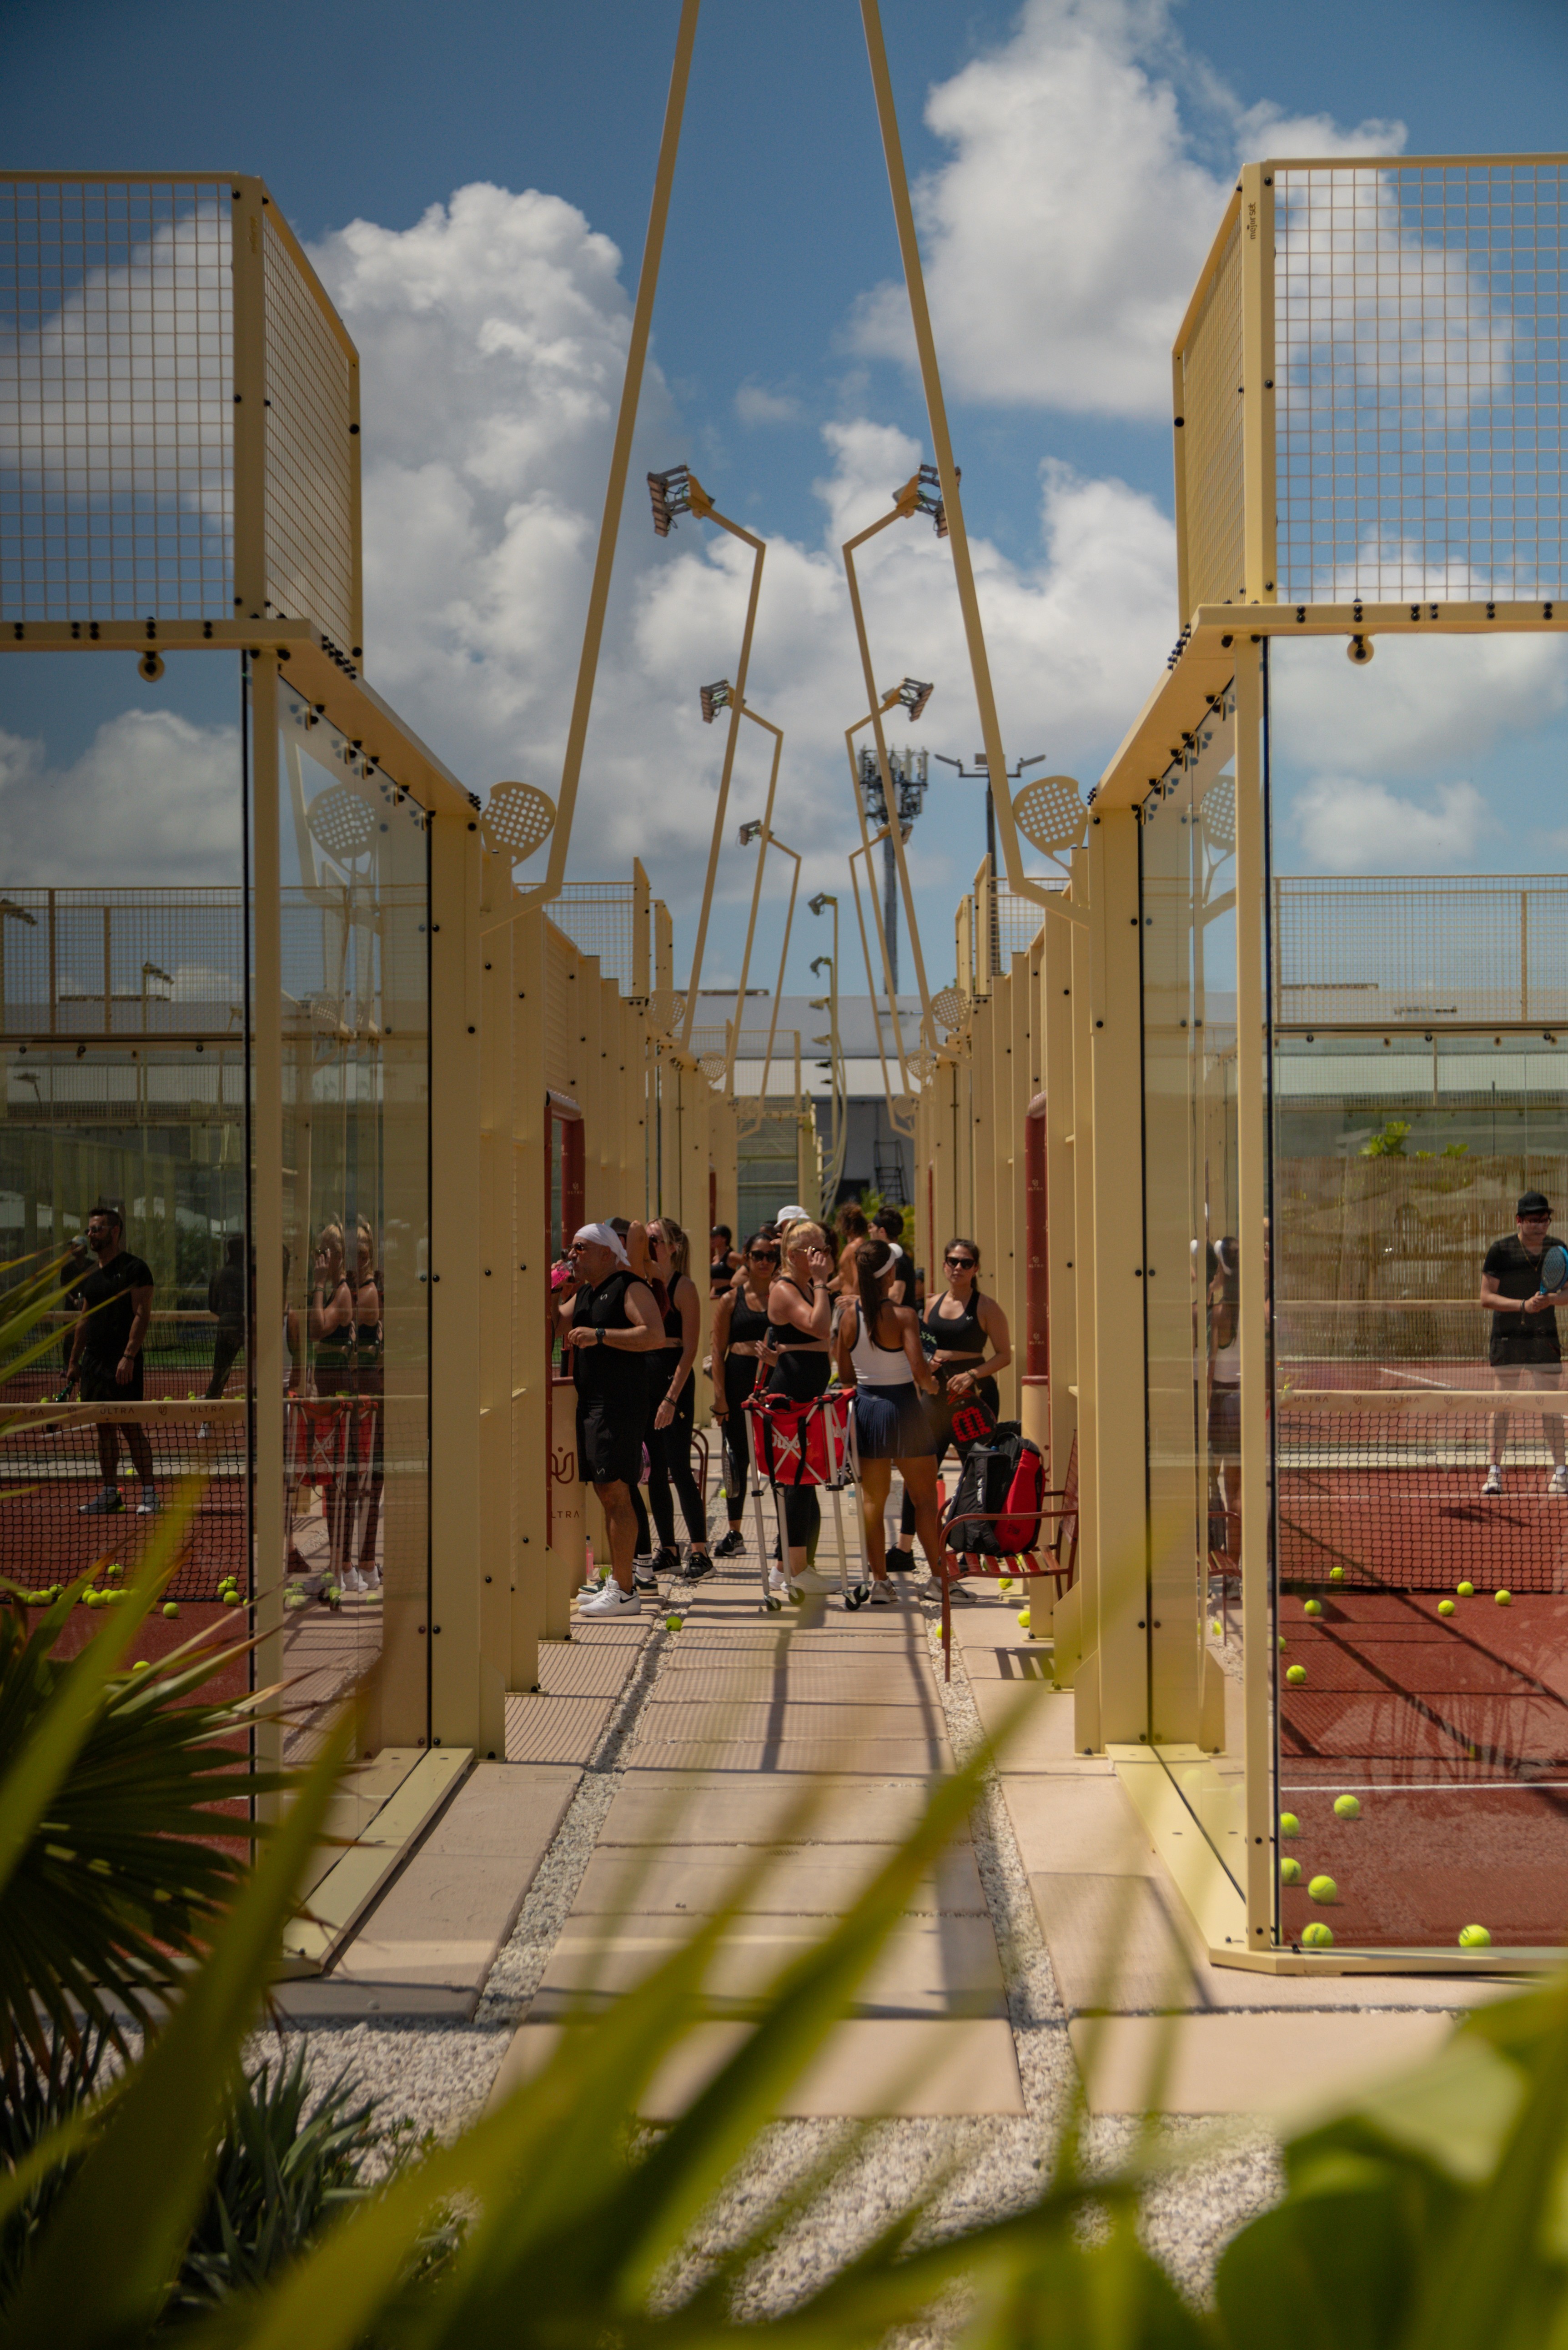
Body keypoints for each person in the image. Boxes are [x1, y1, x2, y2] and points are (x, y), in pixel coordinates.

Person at [885, 1235, 1012, 1573]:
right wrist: (928, 1365)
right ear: (944, 1266)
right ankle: (904, 1547)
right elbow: (924, 1345)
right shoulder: (931, 1303)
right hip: (936, 1395)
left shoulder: (986, 1307)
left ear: (976, 1269)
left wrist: (972, 1373)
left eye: (966, 1263)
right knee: (920, 1470)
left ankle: (977, 1547)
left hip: (974, 1397)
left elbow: (1005, 1355)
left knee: (978, 1472)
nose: (958, 1268)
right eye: (953, 1262)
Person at [558, 1222, 665, 1615]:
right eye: (571, 1248)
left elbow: (654, 1335)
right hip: (594, 1405)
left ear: (607, 1252)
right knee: (607, 1493)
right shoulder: (586, 1291)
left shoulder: (628, 1286)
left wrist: (601, 1335)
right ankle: (620, 1581)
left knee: (618, 1492)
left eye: (581, 1248)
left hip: (619, 1406)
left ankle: (625, 1590)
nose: (573, 1255)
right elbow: (557, 1322)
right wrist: (551, 1285)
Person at [833, 1235, 942, 1602]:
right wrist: (935, 1384)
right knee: (925, 1498)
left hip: (866, 1409)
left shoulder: (849, 1317)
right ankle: (941, 1579)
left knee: (872, 1502)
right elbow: (919, 1371)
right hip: (904, 1410)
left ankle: (879, 1582)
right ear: (889, 1272)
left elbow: (845, 1374)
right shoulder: (903, 1315)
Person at [756, 1217, 835, 1597]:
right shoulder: (786, 1289)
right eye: (813, 1249)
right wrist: (823, 1284)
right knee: (793, 1480)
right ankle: (794, 1568)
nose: (822, 1255)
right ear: (792, 1255)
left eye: (824, 1247)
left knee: (806, 1480)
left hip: (808, 1390)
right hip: (791, 1393)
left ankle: (787, 1567)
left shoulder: (805, 1286)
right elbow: (821, 1328)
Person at [65, 1204, 157, 1516]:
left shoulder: (135, 1269)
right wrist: (75, 1362)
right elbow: (83, 1319)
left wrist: (129, 1356)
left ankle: (149, 1493)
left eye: (97, 1229)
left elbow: (142, 1315)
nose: (91, 1234)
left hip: (123, 1363)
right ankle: (110, 1493)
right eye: (90, 1229)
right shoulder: (91, 1273)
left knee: (131, 1427)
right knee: (104, 1428)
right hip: (94, 1364)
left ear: (114, 1232)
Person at [1481, 1191, 1568, 1497]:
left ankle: (1561, 1473)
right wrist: (1523, 1306)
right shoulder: (1500, 1251)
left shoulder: (1558, 1248)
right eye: (1534, 1220)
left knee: (1551, 1406)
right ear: (1519, 1221)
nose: (1540, 1226)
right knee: (1501, 1405)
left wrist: (1551, 1300)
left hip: (1544, 1337)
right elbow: (1486, 1297)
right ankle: (1494, 1472)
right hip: (1508, 1336)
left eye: (1545, 1220)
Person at [644, 1216, 713, 1582]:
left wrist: (672, 1397)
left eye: (655, 1240)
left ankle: (699, 1551)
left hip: (674, 1379)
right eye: (646, 1240)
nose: (650, 1245)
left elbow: (690, 1349)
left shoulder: (683, 1287)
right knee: (654, 1468)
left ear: (673, 1247)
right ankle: (668, 1548)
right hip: (649, 1377)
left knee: (679, 1466)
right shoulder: (643, 1284)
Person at [709, 1229, 779, 1557]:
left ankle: (786, 1533)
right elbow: (717, 1349)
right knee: (737, 1460)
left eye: (771, 1256)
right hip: (739, 1385)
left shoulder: (784, 1296)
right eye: (758, 1255)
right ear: (747, 1259)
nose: (765, 1262)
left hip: (774, 1387)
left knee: (778, 1459)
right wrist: (720, 1397)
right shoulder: (731, 1299)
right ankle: (735, 1533)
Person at [1208, 1236, 1241, 1559]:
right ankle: (1234, 1569)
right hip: (1245, 1402)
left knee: (1212, 1482)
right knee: (1237, 1490)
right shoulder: (1259, 1308)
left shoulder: (1219, 1313)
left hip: (1223, 1401)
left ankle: (1218, 1563)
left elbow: (1211, 1369)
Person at [204, 1233, 248, 1400]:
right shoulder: (248, 1275)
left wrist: (228, 1318)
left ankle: (206, 1424)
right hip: (248, 1327)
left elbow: (213, 1307)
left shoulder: (219, 1275)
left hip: (227, 1328)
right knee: (261, 1374)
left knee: (219, 1379)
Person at [871, 1205, 909, 1304]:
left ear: (882, 1232)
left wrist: (861, 1302)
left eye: (871, 1227)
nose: (869, 1231)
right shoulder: (893, 1256)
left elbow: (895, 1297)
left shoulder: (897, 1258)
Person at [833, 1202, 869, 1292]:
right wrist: (825, 1288)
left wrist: (855, 1303)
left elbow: (859, 1278)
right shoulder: (863, 1244)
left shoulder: (853, 1247)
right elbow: (844, 1277)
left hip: (850, 1302)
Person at [709, 1225, 740, 1299]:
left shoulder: (732, 1256)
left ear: (724, 1239)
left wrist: (737, 1281)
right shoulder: (715, 1258)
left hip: (730, 1295)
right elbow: (715, 1282)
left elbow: (749, 1265)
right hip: (717, 1295)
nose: (712, 1239)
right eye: (711, 1237)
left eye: (715, 1237)